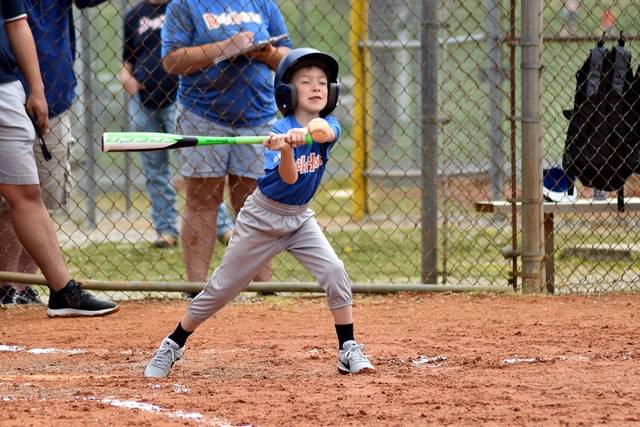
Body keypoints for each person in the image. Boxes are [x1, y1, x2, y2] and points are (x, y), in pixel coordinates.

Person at [144, 48, 374, 378]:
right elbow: (289, 177)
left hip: (299, 218)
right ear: (288, 92)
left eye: (323, 82)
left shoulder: (328, 123)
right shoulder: (277, 128)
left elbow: (325, 131)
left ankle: (347, 349)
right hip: (261, 219)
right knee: (221, 289)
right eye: (306, 81)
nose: (316, 87)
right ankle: (173, 343)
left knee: (335, 270)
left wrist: (305, 133)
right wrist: (285, 150)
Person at [161, 0, 292, 285]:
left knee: (255, 202)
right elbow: (172, 60)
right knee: (202, 199)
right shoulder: (185, 5)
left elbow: (288, 57)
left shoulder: (262, 3)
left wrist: (267, 53)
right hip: (203, 113)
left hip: (257, 114)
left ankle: (263, 286)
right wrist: (226, 46)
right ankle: (197, 286)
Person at [0, 0, 118, 317]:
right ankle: (8, 285)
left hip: (31, 89)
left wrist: (36, 88)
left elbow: (16, 22)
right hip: (14, 86)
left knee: (31, 193)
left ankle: (37, 289)